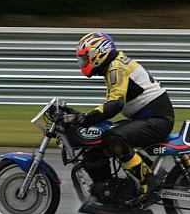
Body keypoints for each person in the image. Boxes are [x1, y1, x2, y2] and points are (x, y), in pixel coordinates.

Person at [63, 31, 175, 195]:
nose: (82, 62)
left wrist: (84, 118)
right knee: (103, 135)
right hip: (148, 118)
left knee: (113, 138)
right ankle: (112, 188)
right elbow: (110, 105)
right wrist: (79, 115)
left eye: (85, 57)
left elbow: (114, 105)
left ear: (98, 54)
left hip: (158, 119)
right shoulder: (113, 66)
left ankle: (149, 181)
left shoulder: (117, 67)